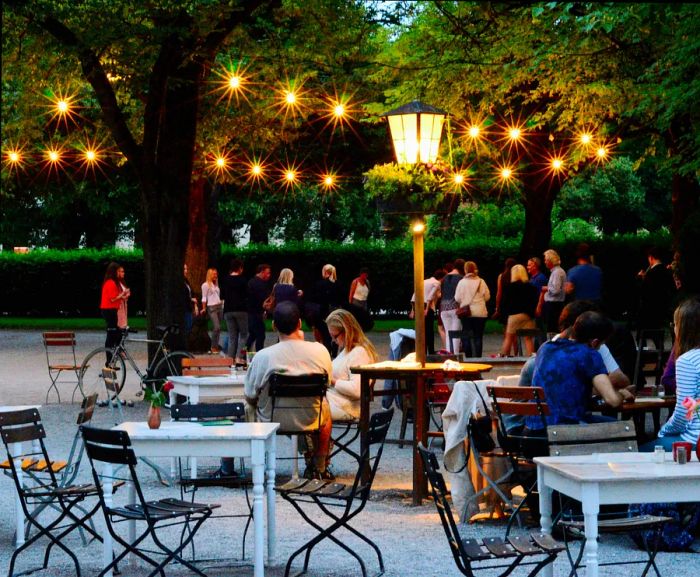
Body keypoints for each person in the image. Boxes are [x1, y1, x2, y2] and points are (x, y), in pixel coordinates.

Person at [244, 302, 333, 479]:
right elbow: (328, 384)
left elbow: (250, 394)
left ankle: (248, 464)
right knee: (325, 409)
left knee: (246, 406)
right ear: (299, 324)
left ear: (274, 325)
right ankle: (320, 466)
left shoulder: (264, 356)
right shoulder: (320, 351)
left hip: (271, 419)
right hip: (310, 418)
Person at [525, 311, 634, 435]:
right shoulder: (589, 354)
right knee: (623, 428)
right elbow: (612, 400)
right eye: (601, 344)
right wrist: (622, 393)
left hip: (532, 431)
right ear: (595, 342)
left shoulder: (546, 348)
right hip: (564, 432)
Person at [641, 298, 700, 451]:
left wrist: (664, 431)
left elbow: (683, 412)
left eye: (674, 325)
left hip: (694, 440)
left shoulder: (687, 360)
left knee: (639, 452)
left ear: (682, 328)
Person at [324, 308, 378, 421]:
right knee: (296, 409)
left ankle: (322, 439)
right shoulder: (348, 350)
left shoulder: (359, 353)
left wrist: (331, 380)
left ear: (347, 331)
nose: (333, 340)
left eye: (335, 336)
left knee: (302, 412)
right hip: (335, 402)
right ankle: (320, 439)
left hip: (346, 407)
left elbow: (357, 390)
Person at [637, 246, 676, 346]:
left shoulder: (651, 273)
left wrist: (641, 278)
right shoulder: (667, 272)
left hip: (648, 308)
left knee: (642, 335)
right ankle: (660, 355)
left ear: (651, 257)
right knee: (657, 335)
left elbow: (644, 291)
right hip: (662, 307)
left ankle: (642, 358)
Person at [498, 264, 539, 357]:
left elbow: (504, 303)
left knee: (509, 337)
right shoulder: (531, 287)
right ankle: (531, 358)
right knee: (528, 338)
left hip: (514, 316)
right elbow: (534, 302)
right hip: (528, 315)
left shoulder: (509, 287)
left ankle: (503, 356)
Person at [454, 261, 490, 357]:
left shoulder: (461, 282)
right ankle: (478, 357)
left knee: (466, 336)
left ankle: (468, 357)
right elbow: (487, 297)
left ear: (465, 270)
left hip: (466, 313)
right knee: (478, 336)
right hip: (480, 313)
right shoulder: (481, 282)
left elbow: (457, 298)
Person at [307, 264, 342, 353]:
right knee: (336, 331)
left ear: (325, 272)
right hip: (335, 311)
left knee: (325, 333)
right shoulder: (338, 284)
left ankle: (327, 351)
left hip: (323, 311)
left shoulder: (320, 284)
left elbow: (315, 298)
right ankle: (334, 350)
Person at [100, 262, 130, 365]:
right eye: (118, 271)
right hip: (109, 310)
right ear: (114, 272)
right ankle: (110, 359)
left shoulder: (111, 282)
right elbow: (113, 298)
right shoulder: (111, 282)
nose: (119, 273)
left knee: (115, 332)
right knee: (112, 333)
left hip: (111, 310)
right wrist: (122, 294)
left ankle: (115, 354)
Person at [410, 269, 445, 355]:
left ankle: (422, 351)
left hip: (417, 304)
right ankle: (431, 351)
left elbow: (415, 295)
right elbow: (430, 296)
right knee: (429, 330)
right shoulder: (437, 283)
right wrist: (427, 309)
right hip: (427, 307)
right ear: (441, 278)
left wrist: (412, 310)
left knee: (421, 330)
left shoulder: (424, 281)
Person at [221, 258, 248, 363]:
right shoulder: (243, 280)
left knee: (232, 336)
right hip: (241, 310)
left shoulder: (225, 280)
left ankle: (230, 358)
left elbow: (222, 295)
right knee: (244, 335)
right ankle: (239, 357)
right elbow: (247, 295)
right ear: (240, 268)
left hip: (228, 310)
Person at [537, 249, 567, 335]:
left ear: (551, 260)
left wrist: (546, 288)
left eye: (546, 260)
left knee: (552, 331)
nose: (545, 262)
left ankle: (553, 347)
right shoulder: (557, 271)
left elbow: (556, 290)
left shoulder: (557, 272)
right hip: (555, 305)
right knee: (553, 330)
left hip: (554, 306)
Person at [493, 258, 517, 356]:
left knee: (506, 330)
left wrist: (497, 307)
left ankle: (507, 352)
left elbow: (499, 293)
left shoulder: (501, 276)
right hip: (514, 305)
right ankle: (516, 352)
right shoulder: (516, 276)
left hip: (504, 305)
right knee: (515, 331)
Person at [439, 259, 465, 353]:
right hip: (455, 308)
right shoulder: (461, 278)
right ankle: (456, 356)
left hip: (443, 309)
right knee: (456, 334)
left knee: (448, 334)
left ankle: (449, 355)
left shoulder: (444, 278)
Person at [246, 264, 272, 352]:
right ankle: (259, 355)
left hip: (250, 313)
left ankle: (242, 354)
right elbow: (265, 298)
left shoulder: (251, 282)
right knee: (260, 336)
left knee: (252, 336)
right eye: (267, 273)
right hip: (256, 314)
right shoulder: (260, 284)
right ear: (262, 272)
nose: (269, 275)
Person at [201, 268, 223, 354]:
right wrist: (204, 308)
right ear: (210, 275)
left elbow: (217, 296)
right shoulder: (205, 285)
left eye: (216, 274)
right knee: (216, 327)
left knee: (219, 328)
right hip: (212, 307)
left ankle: (216, 346)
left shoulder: (216, 285)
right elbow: (204, 297)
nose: (216, 275)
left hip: (219, 306)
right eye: (214, 274)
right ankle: (213, 346)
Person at [183, 264, 198, 337]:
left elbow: (191, 293)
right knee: (186, 328)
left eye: (186, 269)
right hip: (184, 309)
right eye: (184, 269)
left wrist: (194, 304)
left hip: (188, 308)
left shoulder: (186, 281)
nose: (186, 271)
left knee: (189, 327)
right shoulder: (181, 282)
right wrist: (191, 299)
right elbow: (183, 296)